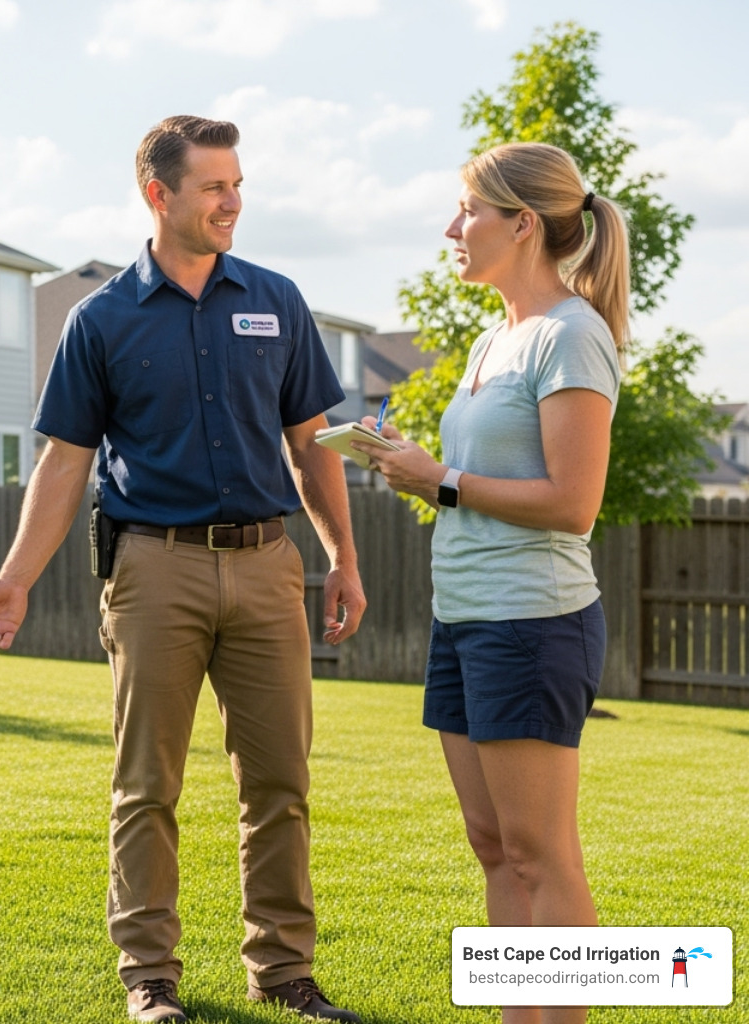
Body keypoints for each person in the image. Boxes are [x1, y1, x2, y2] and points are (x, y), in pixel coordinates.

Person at [0, 116, 367, 1024]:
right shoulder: (100, 319)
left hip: (268, 566)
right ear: (159, 193)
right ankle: (150, 976)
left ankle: (284, 971)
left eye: (238, 184)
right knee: (147, 786)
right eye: (214, 186)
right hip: (153, 569)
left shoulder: (277, 300)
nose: (233, 202)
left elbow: (311, 443)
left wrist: (341, 556)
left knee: (280, 784)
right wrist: (16, 576)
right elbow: (65, 462)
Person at [362, 141, 627, 1024]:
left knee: (542, 855)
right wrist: (411, 467)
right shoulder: (492, 338)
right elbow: (473, 480)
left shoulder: (571, 335)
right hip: (464, 618)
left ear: (521, 224)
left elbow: (572, 505)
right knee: (494, 846)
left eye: (468, 210)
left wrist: (438, 479)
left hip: (532, 622)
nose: (452, 228)